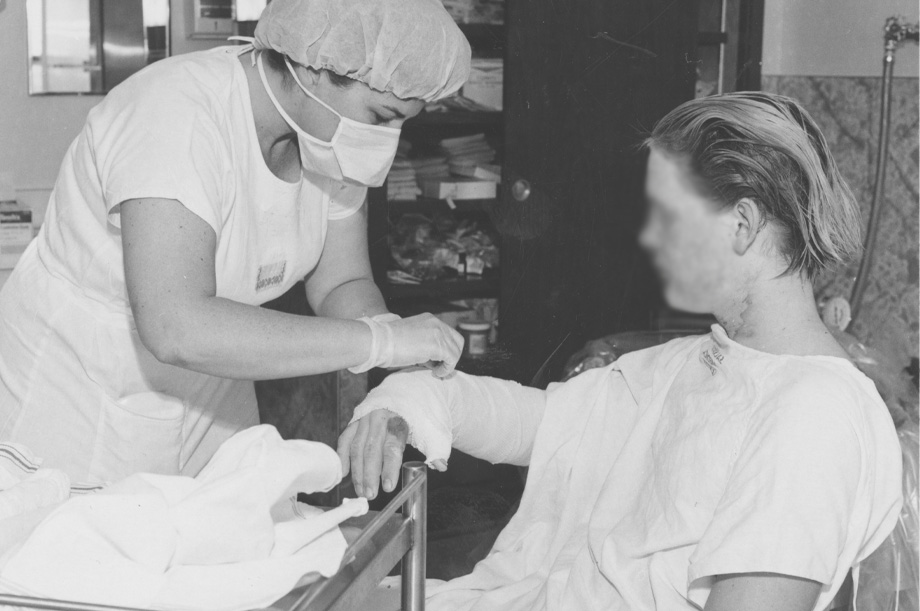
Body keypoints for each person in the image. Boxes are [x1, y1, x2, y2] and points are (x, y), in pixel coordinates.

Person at [339, 92, 904, 611]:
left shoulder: (813, 414)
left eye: (666, 216)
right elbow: (547, 423)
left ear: (742, 223)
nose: (650, 239)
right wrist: (410, 401)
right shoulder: (704, 359)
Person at [0, 0, 469, 486]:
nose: (387, 138)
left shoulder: (326, 138)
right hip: (84, 390)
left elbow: (341, 282)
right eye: (382, 115)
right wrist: (381, 342)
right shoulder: (175, 113)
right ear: (315, 66)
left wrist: (393, 365)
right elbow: (175, 325)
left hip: (214, 386)